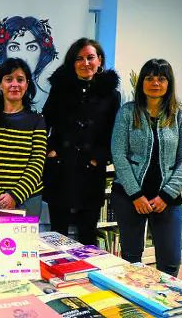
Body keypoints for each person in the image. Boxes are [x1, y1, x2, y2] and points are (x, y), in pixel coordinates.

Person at [111, 59, 182, 277]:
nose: (155, 83)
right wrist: (136, 195)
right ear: (142, 83)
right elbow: (118, 155)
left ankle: (164, 305)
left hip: (167, 199)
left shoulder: (181, 115)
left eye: (161, 78)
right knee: (131, 258)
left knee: (170, 261)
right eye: (149, 78)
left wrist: (166, 195)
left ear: (169, 83)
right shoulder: (127, 113)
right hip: (130, 197)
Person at [42, 38, 120, 245]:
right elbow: (44, 122)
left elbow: (114, 133)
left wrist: (99, 158)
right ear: (72, 62)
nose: (85, 63)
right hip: (61, 167)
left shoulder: (111, 95)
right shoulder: (59, 89)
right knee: (58, 232)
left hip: (91, 170)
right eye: (79, 58)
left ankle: (87, 275)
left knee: (88, 232)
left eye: (90, 57)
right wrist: (50, 151)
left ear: (100, 60)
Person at [0, 58, 47, 216]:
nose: (15, 84)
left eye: (20, 80)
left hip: (28, 199)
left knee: (26, 241)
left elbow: (37, 162)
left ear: (27, 85)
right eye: (8, 79)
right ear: (0, 85)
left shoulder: (37, 120)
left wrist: (15, 196)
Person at [0, 16, 58, 93]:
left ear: (42, 52)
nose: (23, 58)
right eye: (14, 47)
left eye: (31, 47)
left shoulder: (50, 91)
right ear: (3, 52)